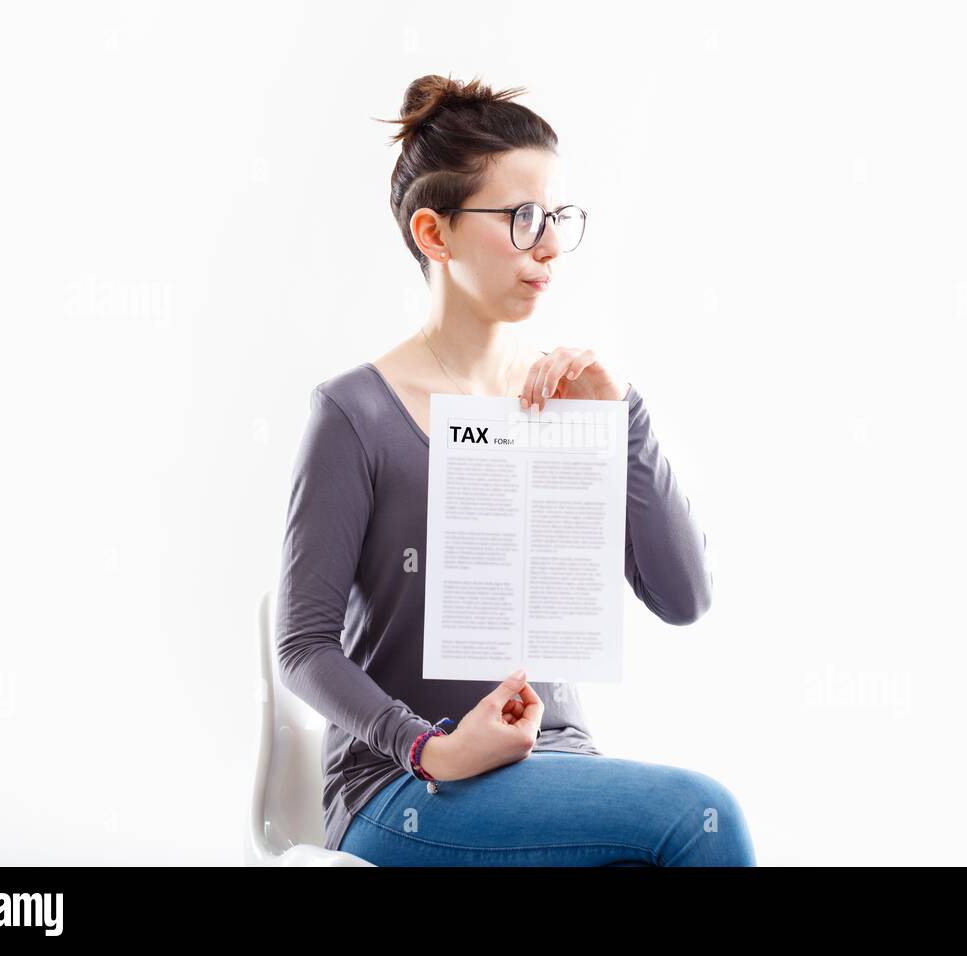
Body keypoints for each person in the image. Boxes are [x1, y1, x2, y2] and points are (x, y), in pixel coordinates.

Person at [275, 72, 755, 866]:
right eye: (523, 217)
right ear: (435, 234)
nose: (551, 245)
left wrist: (622, 416)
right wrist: (430, 748)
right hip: (406, 789)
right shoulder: (354, 414)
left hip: (558, 767)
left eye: (559, 216)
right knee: (700, 816)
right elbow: (303, 646)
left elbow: (685, 598)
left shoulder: (570, 400)